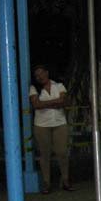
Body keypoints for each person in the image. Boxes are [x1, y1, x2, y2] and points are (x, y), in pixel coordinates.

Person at [29, 65, 71, 193]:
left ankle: (65, 180)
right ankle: (46, 183)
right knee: (45, 154)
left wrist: (45, 104)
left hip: (59, 122)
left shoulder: (58, 85)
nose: (39, 77)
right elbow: (36, 104)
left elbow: (64, 101)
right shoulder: (33, 88)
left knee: (62, 152)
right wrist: (55, 102)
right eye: (37, 75)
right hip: (42, 125)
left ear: (47, 73)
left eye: (41, 73)